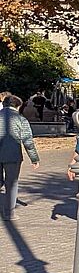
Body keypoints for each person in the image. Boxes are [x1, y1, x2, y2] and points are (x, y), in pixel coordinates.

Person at [0, 93, 40, 221]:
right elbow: (28, 141)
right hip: (12, 155)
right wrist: (34, 158)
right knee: (11, 183)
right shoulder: (20, 119)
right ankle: (9, 213)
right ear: (17, 106)